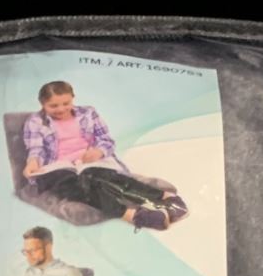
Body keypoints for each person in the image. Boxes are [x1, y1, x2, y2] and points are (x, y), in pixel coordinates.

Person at [20, 80, 188, 232]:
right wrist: (32, 162)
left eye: (66, 103)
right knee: (76, 188)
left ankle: (166, 198)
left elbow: (106, 140)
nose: (61, 109)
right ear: (42, 104)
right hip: (58, 166)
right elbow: (36, 148)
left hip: (87, 162)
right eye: (53, 106)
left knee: (107, 179)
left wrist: (98, 152)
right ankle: (134, 215)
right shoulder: (35, 121)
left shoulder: (88, 113)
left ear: (73, 98)